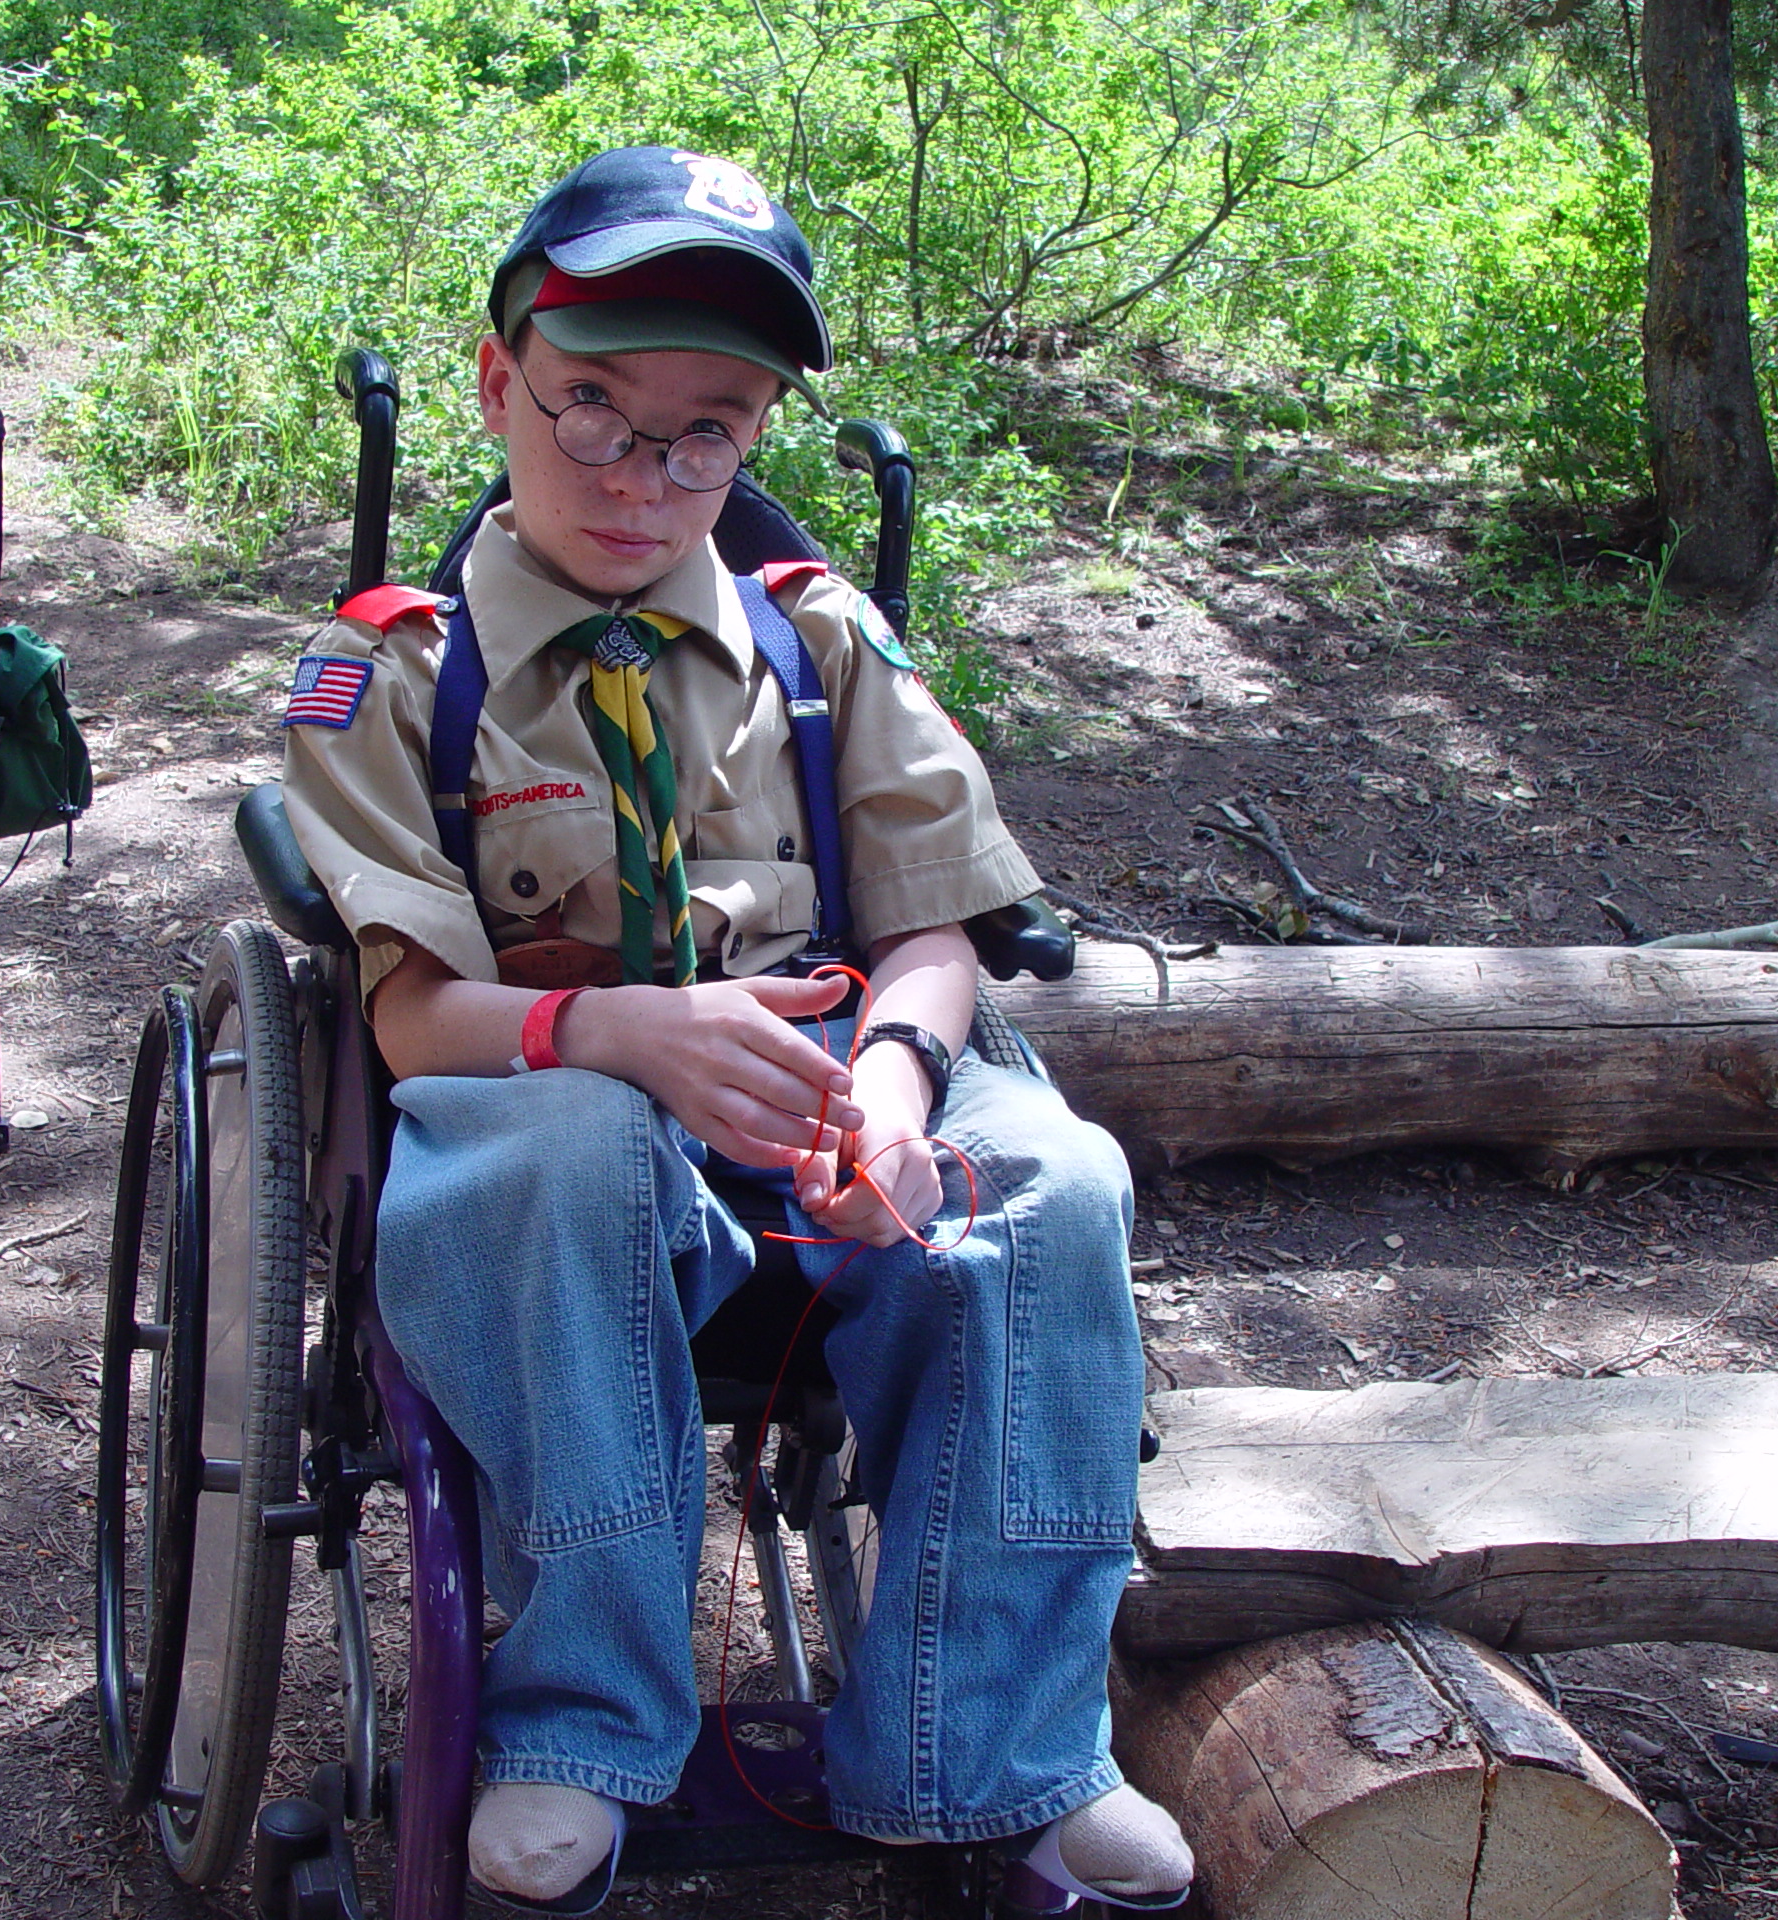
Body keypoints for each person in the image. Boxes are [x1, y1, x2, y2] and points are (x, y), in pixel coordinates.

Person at [281, 145, 1193, 1915]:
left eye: (708, 430)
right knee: (573, 1156)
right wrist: (627, 1031)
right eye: (595, 411)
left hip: (826, 1067)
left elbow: (935, 931)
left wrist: (897, 1081)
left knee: (1051, 1189)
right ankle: (579, 1728)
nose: (646, 472)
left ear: (758, 429)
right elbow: (405, 1014)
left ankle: (999, 1750)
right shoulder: (397, 674)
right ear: (500, 381)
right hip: (536, 1083)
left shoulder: (820, 642)